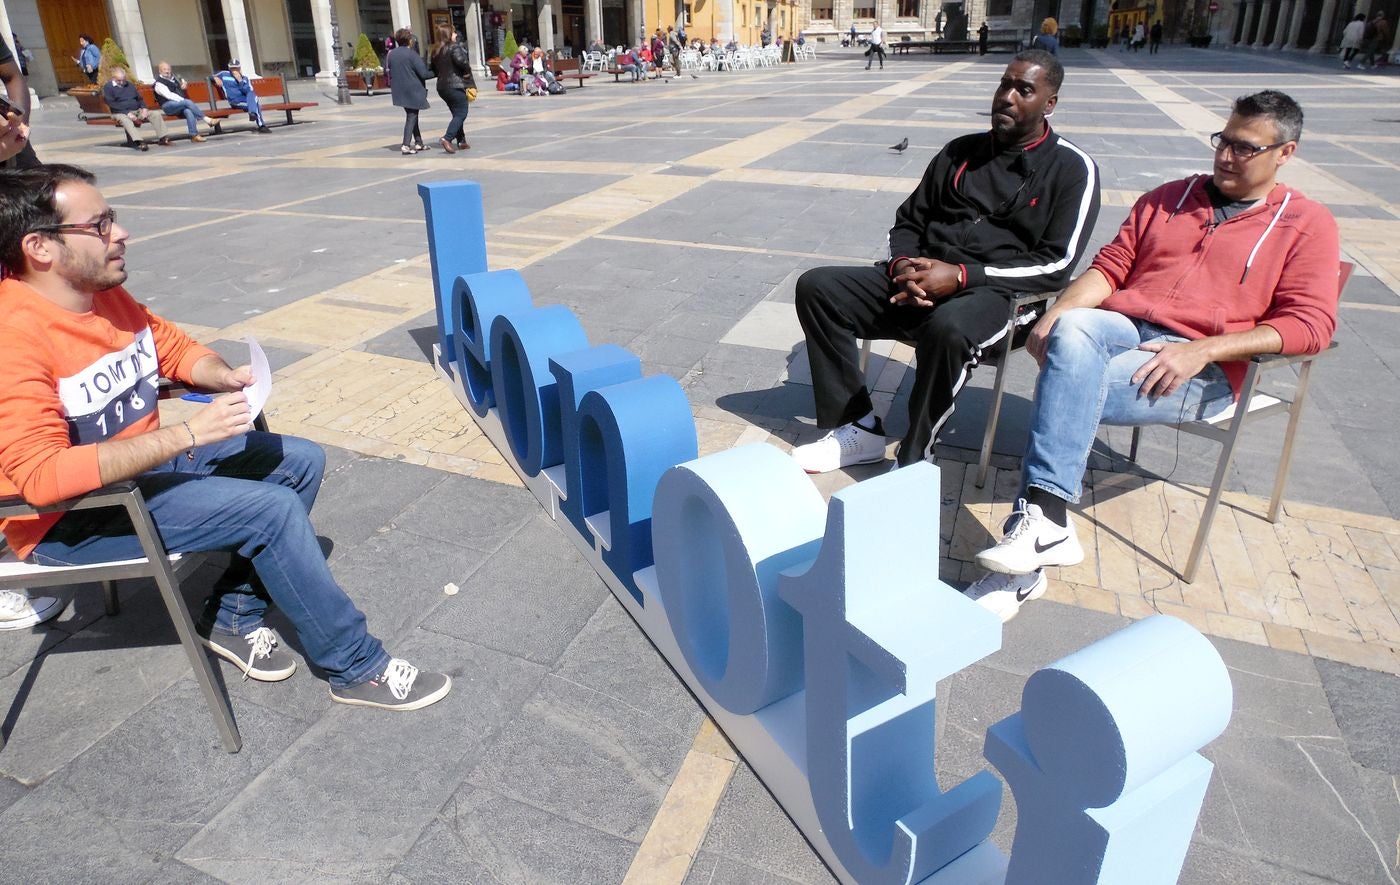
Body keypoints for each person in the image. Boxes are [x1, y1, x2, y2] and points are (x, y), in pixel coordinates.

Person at [0, 165, 453, 708]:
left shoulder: (101, 295)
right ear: (40, 248)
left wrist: (221, 374)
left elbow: (170, 347)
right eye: (99, 226)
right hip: (72, 518)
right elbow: (41, 477)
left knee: (298, 459)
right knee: (271, 510)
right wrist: (188, 432)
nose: (120, 234)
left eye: (113, 219)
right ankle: (357, 668)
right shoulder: (14, 338)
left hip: (139, 476)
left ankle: (232, 615)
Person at [966, 90, 1339, 622]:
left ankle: (1025, 560)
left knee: (1067, 383)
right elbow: (1111, 267)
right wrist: (1054, 316)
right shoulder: (1171, 197)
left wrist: (1203, 350)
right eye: (1223, 141)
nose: (1226, 157)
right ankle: (1046, 524)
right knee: (1071, 332)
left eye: (1245, 148)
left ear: (1286, 152)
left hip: (1201, 367)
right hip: (1126, 328)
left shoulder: (1307, 224)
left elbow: (1312, 324)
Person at [792, 50, 1100, 475]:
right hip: (919, 281)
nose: (1007, 97)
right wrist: (903, 267)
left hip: (1000, 298)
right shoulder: (960, 152)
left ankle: (915, 457)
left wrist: (959, 276)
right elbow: (909, 220)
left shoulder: (1072, 169)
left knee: (949, 330)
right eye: (1004, 84)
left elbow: (1056, 264)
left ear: (1049, 103)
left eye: (1023, 90)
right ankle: (856, 426)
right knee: (818, 288)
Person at [387, 29, 433, 153]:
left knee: (413, 115)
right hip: (413, 90)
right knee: (412, 116)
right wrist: (437, 72)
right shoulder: (412, 54)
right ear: (410, 40)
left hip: (399, 90)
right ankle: (406, 145)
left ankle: (419, 143)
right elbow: (424, 73)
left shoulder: (392, 54)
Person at [102, 67, 170, 151]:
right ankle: (139, 141)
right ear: (113, 78)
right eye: (119, 80)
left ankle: (163, 137)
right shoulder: (108, 87)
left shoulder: (129, 85)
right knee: (125, 119)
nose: (122, 82)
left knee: (155, 114)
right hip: (119, 112)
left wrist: (144, 108)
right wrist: (127, 113)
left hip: (136, 110)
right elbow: (112, 104)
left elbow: (139, 99)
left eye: (123, 80)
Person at [431, 24, 475, 152]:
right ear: (448, 34)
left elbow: (433, 68)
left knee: (456, 113)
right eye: (454, 33)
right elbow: (462, 62)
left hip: (442, 87)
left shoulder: (435, 49)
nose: (456, 35)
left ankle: (461, 140)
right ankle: (447, 138)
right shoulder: (454, 47)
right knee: (461, 112)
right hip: (455, 85)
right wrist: (466, 71)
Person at [152, 62, 220, 142]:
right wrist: (184, 101)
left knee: (188, 111)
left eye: (168, 69)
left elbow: (182, 80)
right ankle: (207, 120)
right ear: (160, 71)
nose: (167, 71)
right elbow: (169, 95)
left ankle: (194, 135)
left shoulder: (174, 77)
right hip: (168, 106)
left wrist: (184, 83)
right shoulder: (159, 83)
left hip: (179, 105)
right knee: (187, 102)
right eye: (164, 69)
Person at [214, 60, 271, 133]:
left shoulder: (245, 79)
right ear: (229, 68)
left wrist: (240, 81)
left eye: (236, 68)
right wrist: (215, 78)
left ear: (239, 68)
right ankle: (260, 124)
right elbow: (209, 76)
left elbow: (248, 91)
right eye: (232, 68)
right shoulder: (223, 74)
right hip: (235, 101)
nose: (234, 70)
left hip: (244, 100)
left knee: (252, 95)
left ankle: (253, 114)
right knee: (255, 103)